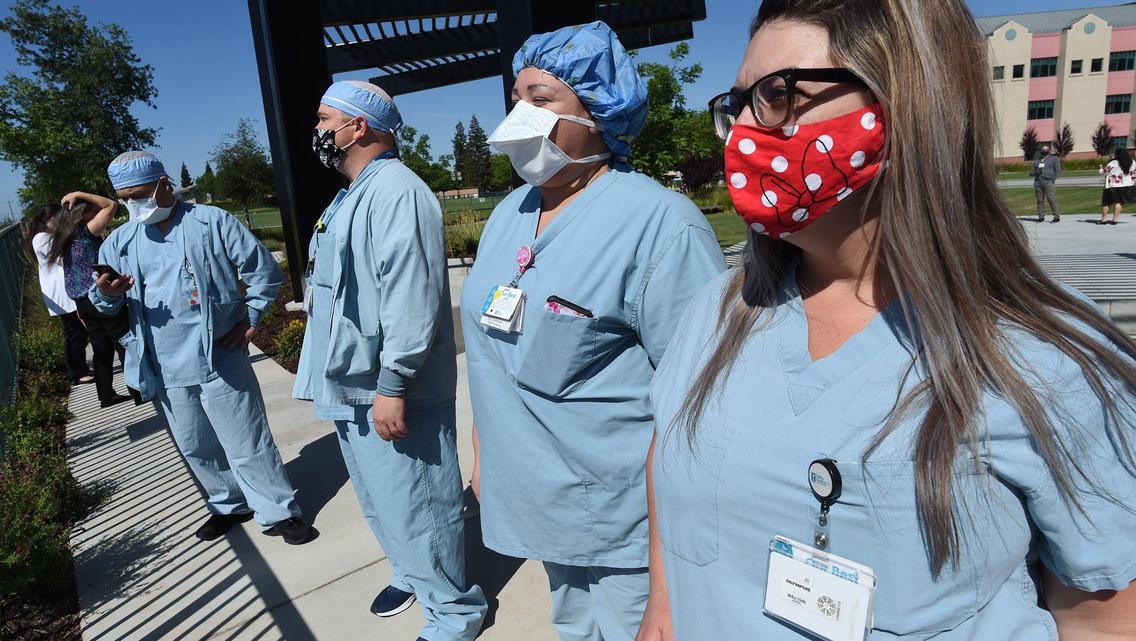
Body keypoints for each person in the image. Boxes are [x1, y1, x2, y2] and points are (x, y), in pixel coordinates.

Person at [642, 2, 1136, 640]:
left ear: (903, 100)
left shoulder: (1047, 358)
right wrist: (663, 601)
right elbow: (669, 446)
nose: (742, 129)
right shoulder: (718, 310)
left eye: (774, 94)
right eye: (736, 102)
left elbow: (1109, 622)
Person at [460, 21, 727, 641]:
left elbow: (703, 393)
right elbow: (490, 351)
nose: (519, 115)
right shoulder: (510, 213)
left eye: (541, 99)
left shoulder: (660, 224)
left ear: (601, 111)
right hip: (539, 501)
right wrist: (486, 454)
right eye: (515, 98)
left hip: (624, 519)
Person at [293, 80, 487, 641]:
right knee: (384, 500)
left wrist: (394, 381)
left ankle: (453, 611)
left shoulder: (397, 190)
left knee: (421, 501)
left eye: (326, 117)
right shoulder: (353, 191)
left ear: (361, 127)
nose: (319, 130)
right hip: (354, 383)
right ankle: (412, 571)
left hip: (390, 385)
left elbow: (412, 295)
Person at [92, 151, 315, 545]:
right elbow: (104, 305)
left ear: (164, 185)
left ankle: (279, 511)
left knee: (246, 439)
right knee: (194, 444)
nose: (135, 205)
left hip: (218, 355)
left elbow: (263, 272)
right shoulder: (119, 242)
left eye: (141, 194)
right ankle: (228, 503)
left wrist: (251, 318)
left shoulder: (211, 222)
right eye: (125, 198)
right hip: (163, 362)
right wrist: (108, 295)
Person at [46, 193, 136, 406]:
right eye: (92, 210)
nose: (97, 213)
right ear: (83, 215)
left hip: (81, 301)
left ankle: (106, 395)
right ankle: (138, 390)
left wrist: (79, 306)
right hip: (101, 297)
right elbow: (111, 205)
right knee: (124, 342)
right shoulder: (85, 232)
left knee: (101, 348)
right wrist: (78, 194)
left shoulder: (65, 237)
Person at [25, 205, 91, 385]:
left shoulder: (44, 237)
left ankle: (78, 369)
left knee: (75, 332)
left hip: (63, 290)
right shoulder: (42, 238)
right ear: (52, 219)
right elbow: (61, 256)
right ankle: (76, 373)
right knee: (74, 332)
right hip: (60, 293)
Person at [1098, 146, 1136, 225]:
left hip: (1111, 186)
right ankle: (1115, 220)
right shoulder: (1132, 162)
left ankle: (1104, 219)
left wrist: (1101, 168)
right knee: (1119, 202)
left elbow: (1105, 172)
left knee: (1106, 203)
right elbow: (1135, 171)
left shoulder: (1113, 163)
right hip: (1125, 186)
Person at [1032, 143, 1061, 222]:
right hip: (1038, 183)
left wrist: (1052, 179)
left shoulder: (1054, 159)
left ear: (1048, 151)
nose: (1044, 151)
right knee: (1040, 200)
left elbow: (1058, 171)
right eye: (1043, 150)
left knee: (1052, 199)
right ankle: (1041, 217)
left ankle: (1056, 216)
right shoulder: (1036, 161)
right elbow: (1031, 173)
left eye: (1046, 150)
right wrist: (1036, 172)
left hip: (1048, 182)